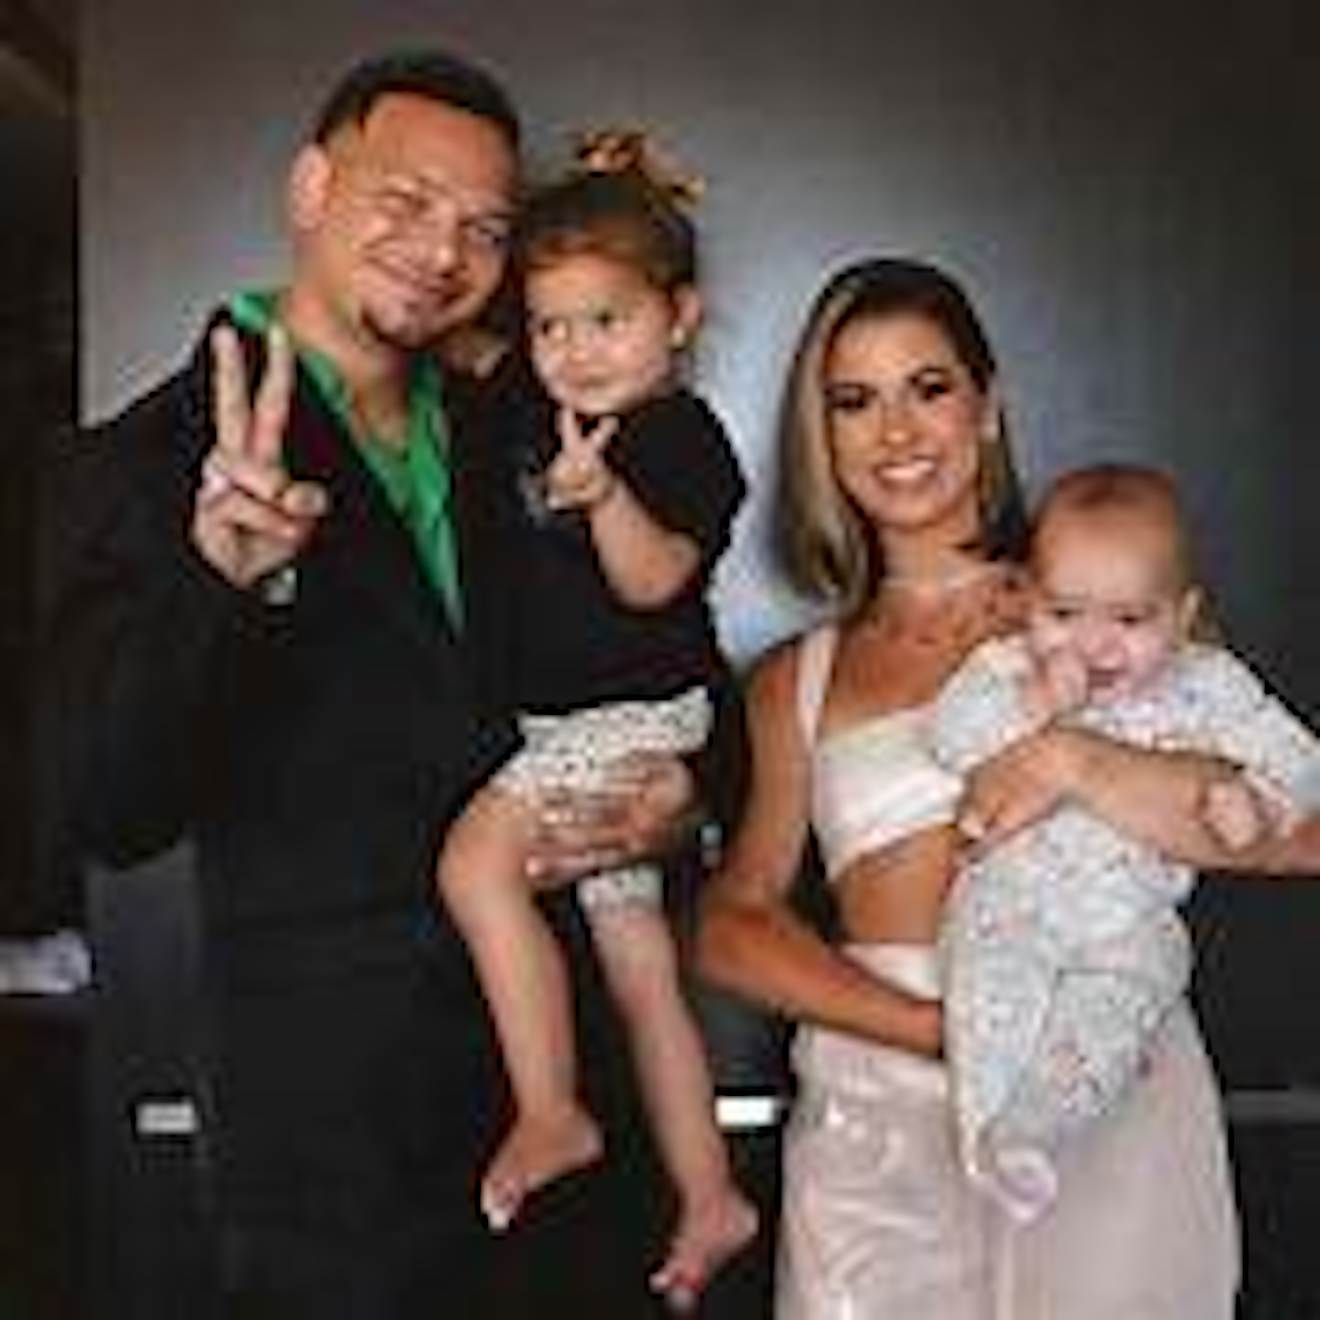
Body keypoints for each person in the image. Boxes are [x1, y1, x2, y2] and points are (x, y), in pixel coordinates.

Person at [49, 50, 698, 1318]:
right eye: (404, 201)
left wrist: (688, 795)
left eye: (484, 229)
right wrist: (217, 588)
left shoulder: (528, 420)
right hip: (333, 1160)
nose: (441, 251)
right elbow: (107, 806)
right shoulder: (144, 459)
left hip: (571, 1116)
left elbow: (653, 639)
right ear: (310, 188)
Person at [695, 255, 1320, 1318]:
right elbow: (728, 928)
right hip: (877, 1115)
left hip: (1097, 1069)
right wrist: (940, 1034)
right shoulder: (799, 677)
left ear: (986, 407)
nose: (897, 432)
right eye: (855, 401)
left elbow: (1297, 832)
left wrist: (1071, 761)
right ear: (824, 437)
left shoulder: (1109, 606)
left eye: (928, 388)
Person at [434, 129, 757, 1307]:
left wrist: (605, 493)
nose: (573, 351)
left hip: (626, 723)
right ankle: (711, 1196)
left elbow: (657, 579)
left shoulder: (679, 435)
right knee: (643, 978)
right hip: (580, 726)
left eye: (606, 321)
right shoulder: (538, 396)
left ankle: (551, 1107)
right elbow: (471, 351)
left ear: (680, 317)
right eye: (551, 326)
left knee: (475, 869)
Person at [930, 462, 1320, 1224]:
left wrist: (1260, 801)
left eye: (1130, 620)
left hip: (1129, 918)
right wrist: (1033, 702)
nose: (1094, 645)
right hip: (1011, 901)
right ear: (1027, 599)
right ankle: (988, 1136)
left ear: (1183, 614)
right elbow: (951, 739)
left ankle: (1035, 1127)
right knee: (989, 999)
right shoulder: (1005, 668)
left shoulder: (1209, 683)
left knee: (1135, 990)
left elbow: (1299, 757)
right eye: (1063, 613)